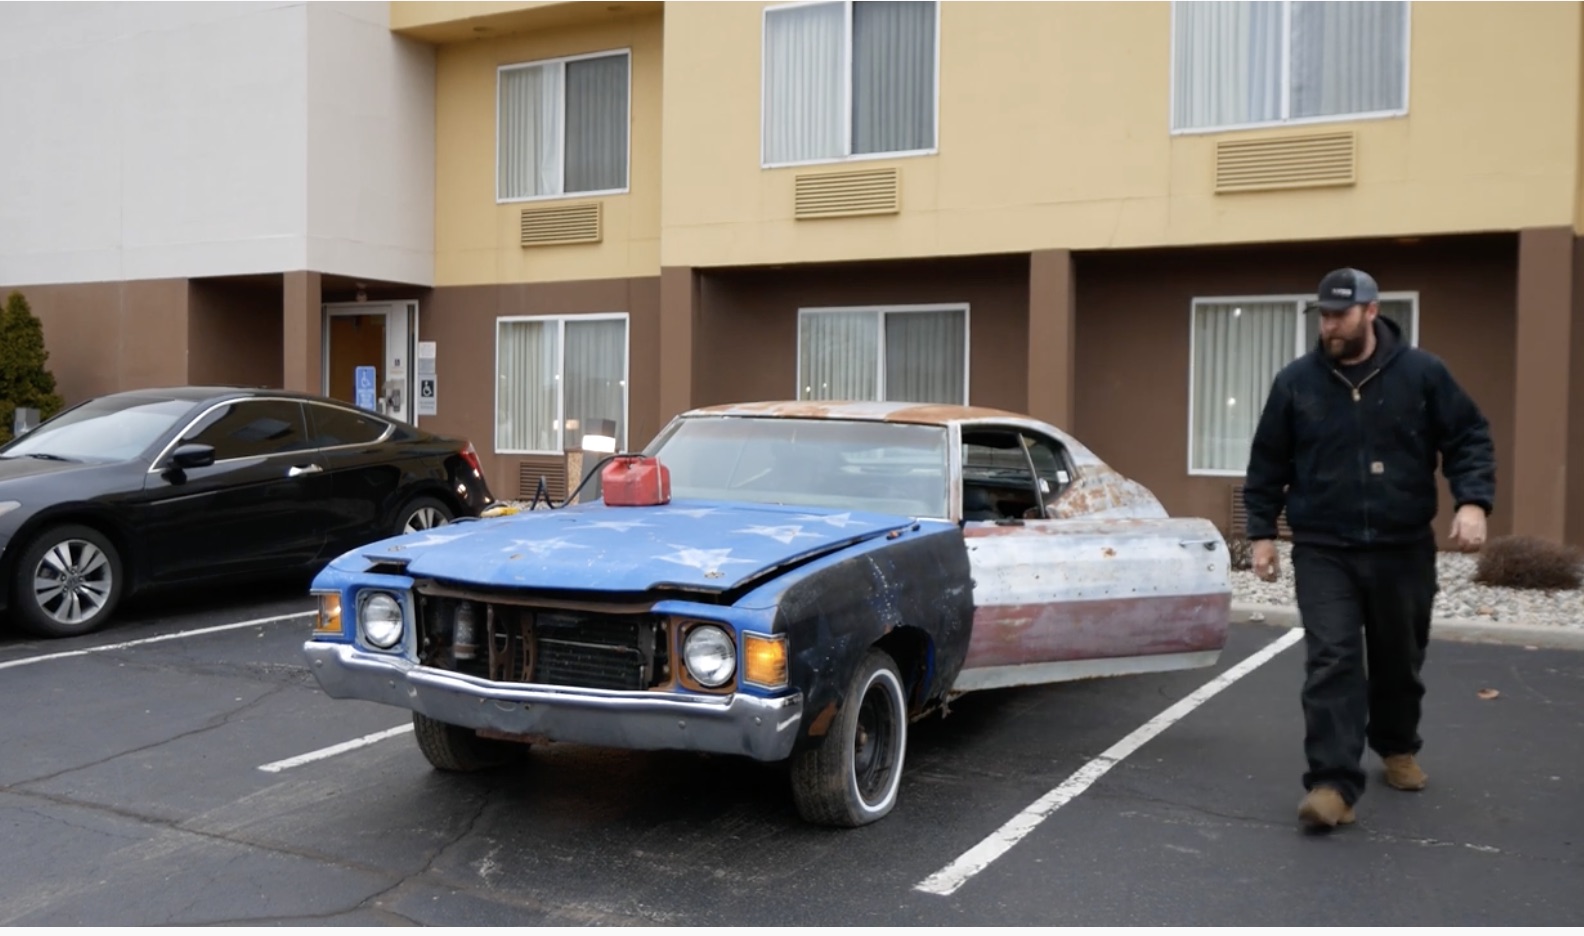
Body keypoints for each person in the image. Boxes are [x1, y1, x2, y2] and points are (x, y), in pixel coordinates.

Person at [1242, 267, 1496, 830]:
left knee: (1397, 659)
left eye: (1340, 314)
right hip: (1323, 546)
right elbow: (1267, 462)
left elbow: (1468, 437)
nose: (1330, 325)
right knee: (1332, 659)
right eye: (1324, 315)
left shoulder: (1423, 374)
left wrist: (1473, 500)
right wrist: (1261, 533)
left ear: (1371, 311)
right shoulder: (1296, 383)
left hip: (1402, 545)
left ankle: (1397, 744)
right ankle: (1333, 783)